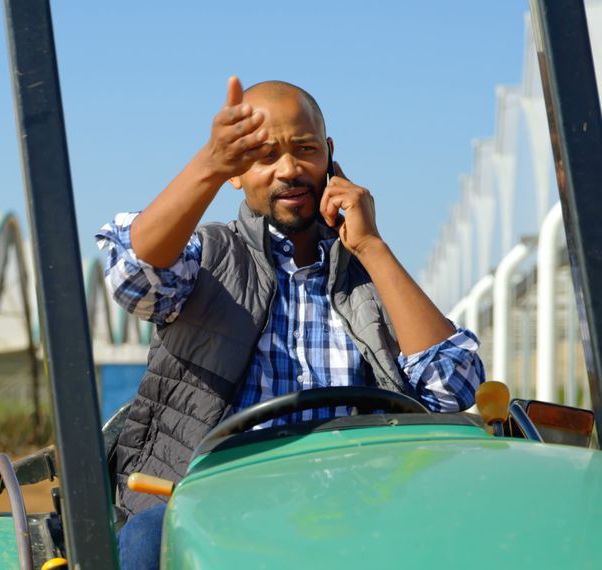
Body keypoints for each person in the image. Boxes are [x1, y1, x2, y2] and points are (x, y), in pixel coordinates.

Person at [96, 77, 485, 569]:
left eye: (304, 150)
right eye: (262, 156)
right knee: (151, 534)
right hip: (217, 503)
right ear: (236, 172)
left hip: (355, 504)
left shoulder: (372, 278)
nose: (288, 170)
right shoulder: (205, 258)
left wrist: (371, 247)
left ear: (330, 155)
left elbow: (454, 389)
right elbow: (133, 277)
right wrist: (208, 165)